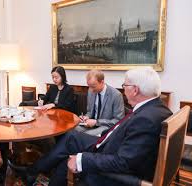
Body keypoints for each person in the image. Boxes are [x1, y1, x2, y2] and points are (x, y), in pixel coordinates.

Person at [24, 67, 173, 186]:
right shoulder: (157, 109)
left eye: (125, 85)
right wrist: (88, 118)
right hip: (111, 141)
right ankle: (36, 172)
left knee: (70, 146)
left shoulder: (145, 119)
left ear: (135, 90)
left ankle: (33, 171)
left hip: (110, 154)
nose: (123, 88)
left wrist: (82, 159)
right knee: (70, 137)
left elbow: (124, 162)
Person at [75, 70, 125, 136]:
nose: (91, 89)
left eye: (93, 86)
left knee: (86, 135)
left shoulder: (116, 95)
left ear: (102, 82)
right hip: (91, 124)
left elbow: (118, 120)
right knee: (73, 129)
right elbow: (89, 112)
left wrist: (96, 122)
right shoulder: (90, 90)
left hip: (106, 126)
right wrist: (86, 117)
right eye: (89, 86)